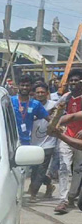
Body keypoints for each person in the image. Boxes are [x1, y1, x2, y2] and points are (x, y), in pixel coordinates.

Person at [55, 70, 82, 214]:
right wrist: (56, 123)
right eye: (71, 80)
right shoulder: (66, 97)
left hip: (80, 140)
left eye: (76, 80)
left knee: (78, 169)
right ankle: (63, 200)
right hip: (66, 136)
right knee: (64, 166)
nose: (73, 83)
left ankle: (72, 196)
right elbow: (55, 111)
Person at [29, 83, 57, 202]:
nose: (40, 94)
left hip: (48, 142)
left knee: (41, 170)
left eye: (42, 92)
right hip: (33, 142)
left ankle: (33, 194)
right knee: (34, 170)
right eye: (38, 92)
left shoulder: (53, 105)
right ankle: (49, 185)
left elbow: (57, 119)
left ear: (47, 93)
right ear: (34, 94)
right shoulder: (30, 105)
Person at [13, 76, 49, 146]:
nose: (24, 88)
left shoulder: (36, 104)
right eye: (22, 85)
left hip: (27, 142)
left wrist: (59, 126)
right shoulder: (10, 101)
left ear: (31, 87)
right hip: (11, 140)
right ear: (18, 86)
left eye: (27, 85)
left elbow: (48, 118)